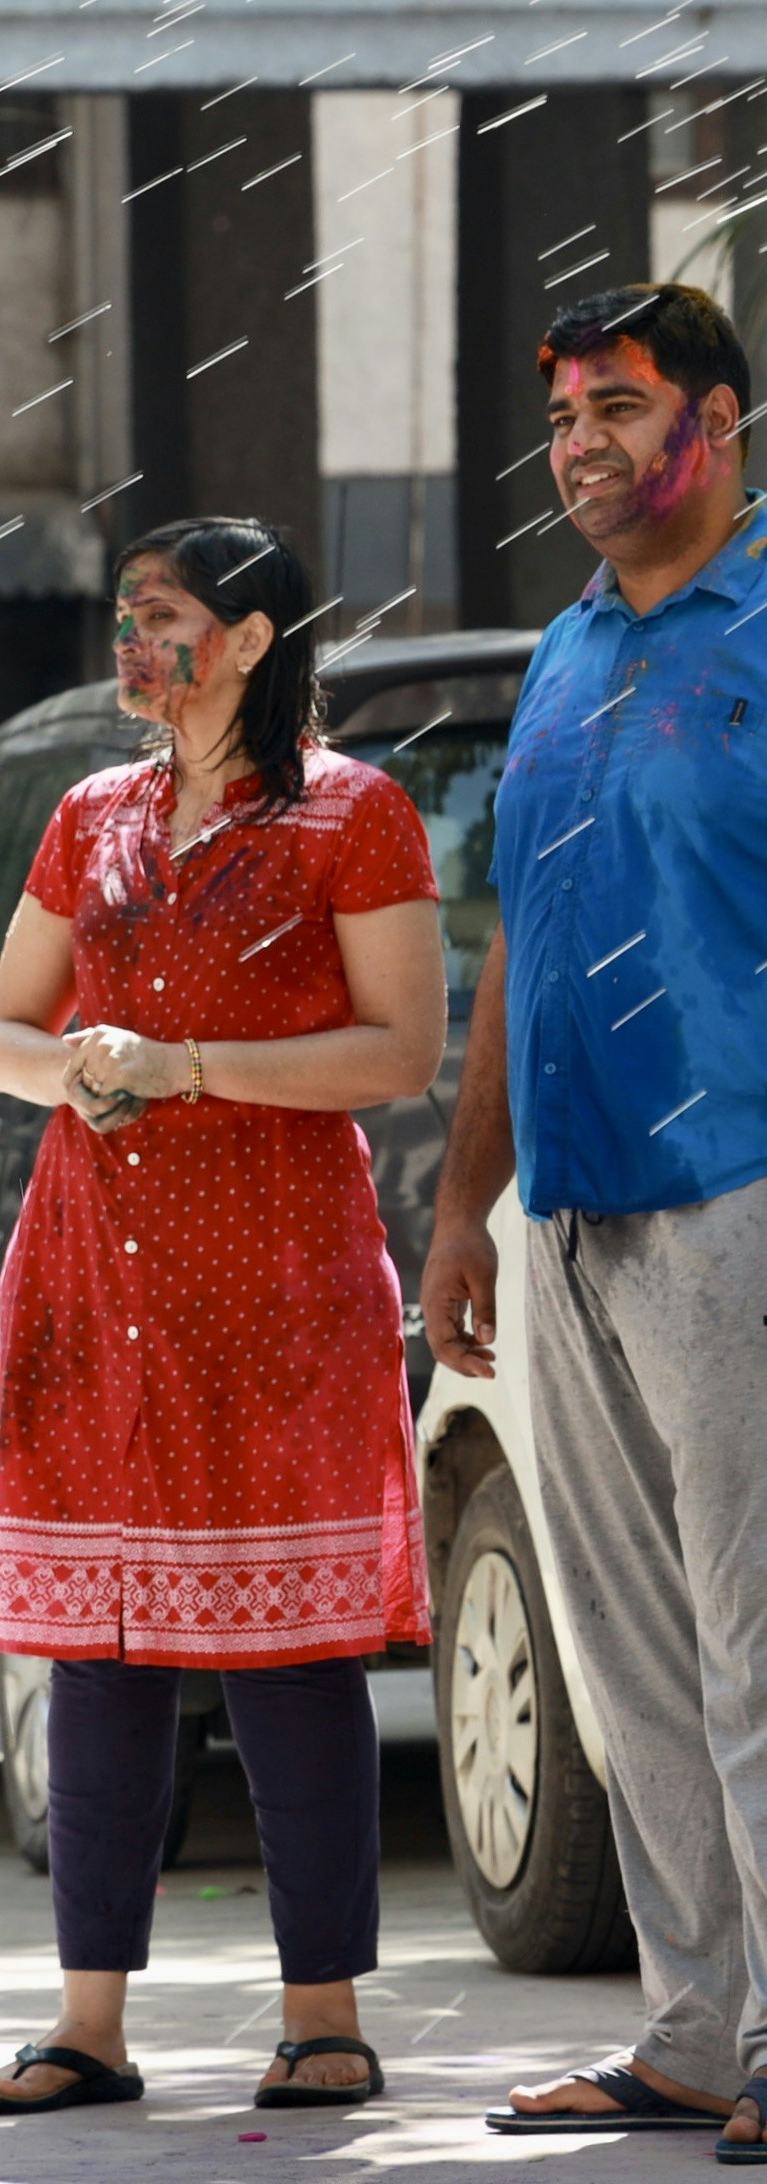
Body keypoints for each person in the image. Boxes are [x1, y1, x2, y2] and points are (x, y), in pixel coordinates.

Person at [0, 518, 446, 2117]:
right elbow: (0, 1039)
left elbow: (393, 1052)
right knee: (96, 1651)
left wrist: (189, 1070)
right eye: (123, 615)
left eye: (158, 618)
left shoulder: (348, 816)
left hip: (277, 1284)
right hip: (93, 1276)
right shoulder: (89, 816)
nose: (129, 641)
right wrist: (82, 1066)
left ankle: (323, 2016)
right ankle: (88, 2022)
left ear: (245, 638)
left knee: (288, 1652)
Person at [420, 283, 767, 2154]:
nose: (583, 449)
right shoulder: (560, 656)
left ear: (717, 419)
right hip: (565, 1213)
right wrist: (462, 1204)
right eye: (564, 419)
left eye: (622, 410)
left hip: (742, 1196)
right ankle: (695, 2034)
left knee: (758, 1639)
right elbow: (512, 953)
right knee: (626, 1655)